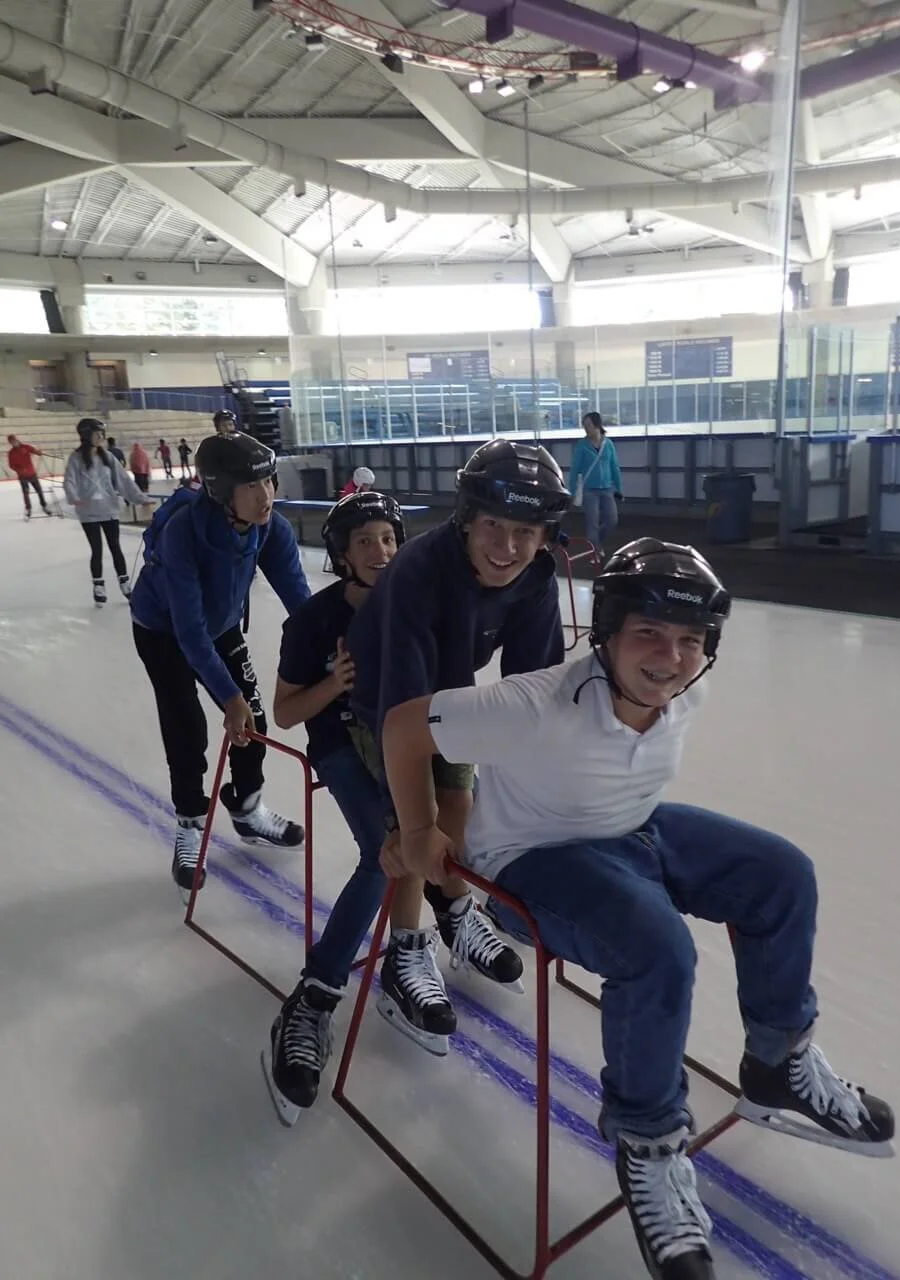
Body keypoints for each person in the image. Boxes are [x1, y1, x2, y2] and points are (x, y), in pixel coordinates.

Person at [380, 537, 895, 1280]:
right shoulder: (536, 705)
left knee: (781, 874)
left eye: (690, 640)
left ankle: (776, 1062)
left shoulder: (687, 689)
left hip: (634, 832)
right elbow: (403, 725)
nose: (670, 658)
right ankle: (648, 1143)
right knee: (658, 950)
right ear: (608, 632)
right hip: (532, 866)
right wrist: (422, 829)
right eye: (649, 633)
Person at [339, 438, 571, 1058]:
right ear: (467, 518)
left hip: (449, 695)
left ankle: (458, 912)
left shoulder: (534, 579)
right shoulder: (418, 572)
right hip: (380, 703)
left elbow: (533, 698)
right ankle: (406, 952)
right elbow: (400, 720)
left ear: (545, 536)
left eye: (526, 530)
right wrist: (412, 827)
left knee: (459, 818)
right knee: (414, 836)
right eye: (494, 525)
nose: (508, 546)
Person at [262, 490, 406, 1124]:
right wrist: (336, 684)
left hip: (398, 737)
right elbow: (287, 713)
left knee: (457, 816)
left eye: (388, 538)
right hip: (339, 743)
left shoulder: (410, 608)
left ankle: (417, 944)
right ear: (343, 555)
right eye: (366, 541)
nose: (381, 551)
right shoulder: (314, 621)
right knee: (382, 855)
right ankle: (314, 996)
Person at [130, 432, 312, 901]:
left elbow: (303, 604)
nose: (266, 494)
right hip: (163, 632)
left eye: (269, 481)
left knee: (255, 720)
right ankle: (191, 822)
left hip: (222, 626)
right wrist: (228, 699)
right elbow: (189, 632)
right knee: (187, 726)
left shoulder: (271, 527)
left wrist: (336, 647)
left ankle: (246, 806)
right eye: (251, 487)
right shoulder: (183, 533)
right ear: (220, 490)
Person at [63, 418, 155, 606]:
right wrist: (73, 497)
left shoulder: (107, 457)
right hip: (88, 513)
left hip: (109, 510)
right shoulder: (76, 458)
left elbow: (124, 481)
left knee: (115, 548)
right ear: (86, 435)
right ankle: (99, 586)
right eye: (97, 433)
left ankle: (125, 583)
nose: (101, 437)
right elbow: (69, 480)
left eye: (102, 433)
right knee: (96, 550)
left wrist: (141, 499)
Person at [568, 412, 623, 561]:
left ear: (597, 425)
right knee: (592, 523)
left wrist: (619, 487)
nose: (586, 429)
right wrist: (571, 491)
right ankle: (595, 551)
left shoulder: (609, 444)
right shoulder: (581, 446)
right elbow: (575, 470)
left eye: (588, 425)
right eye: (584, 426)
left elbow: (614, 467)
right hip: (589, 490)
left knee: (612, 521)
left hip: (607, 488)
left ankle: (596, 543)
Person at [6, 433, 50, 518]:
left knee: (39, 491)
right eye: (11, 441)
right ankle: (28, 509)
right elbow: (11, 465)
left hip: (32, 474)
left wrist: (38, 452)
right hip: (22, 477)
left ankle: (44, 506)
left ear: (16, 440)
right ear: (10, 443)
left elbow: (34, 451)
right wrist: (19, 470)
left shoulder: (26, 447)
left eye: (14, 440)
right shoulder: (11, 453)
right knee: (26, 493)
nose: (13, 442)